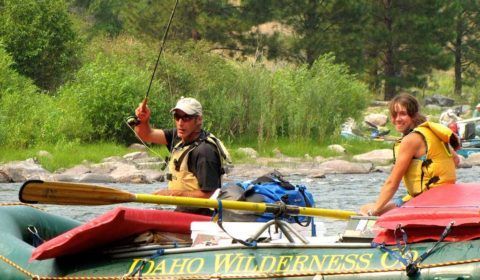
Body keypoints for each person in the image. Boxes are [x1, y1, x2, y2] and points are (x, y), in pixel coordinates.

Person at [360, 93, 460, 216]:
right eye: (394, 114)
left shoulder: (411, 139)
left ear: (413, 115)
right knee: (385, 205)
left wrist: (374, 211)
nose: (397, 119)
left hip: (428, 202)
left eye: (403, 114)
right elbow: (456, 160)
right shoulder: (432, 133)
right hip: (446, 197)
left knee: (366, 209)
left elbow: (392, 183)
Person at [134, 97, 231, 214]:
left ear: (199, 119)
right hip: (183, 211)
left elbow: (210, 194)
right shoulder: (178, 136)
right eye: (177, 117)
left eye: (186, 118)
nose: (180, 123)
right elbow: (147, 135)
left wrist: (171, 194)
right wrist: (143, 121)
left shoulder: (205, 152)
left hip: (203, 217)